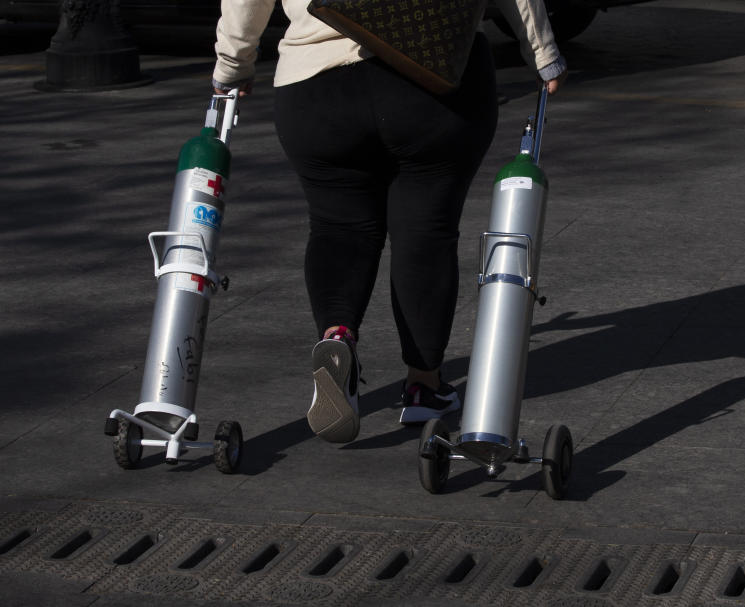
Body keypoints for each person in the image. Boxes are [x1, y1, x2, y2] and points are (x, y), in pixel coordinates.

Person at [212, 0, 567, 443]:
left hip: (316, 86)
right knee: (426, 231)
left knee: (337, 226)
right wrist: (543, 52)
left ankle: (338, 335)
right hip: (434, 76)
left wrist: (233, 64)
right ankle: (424, 385)